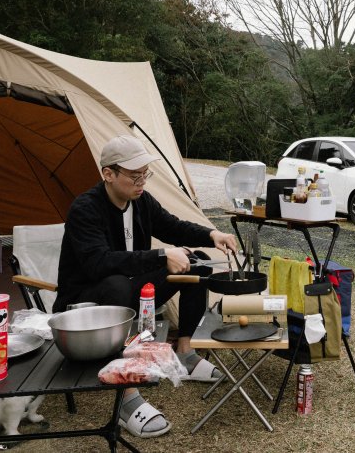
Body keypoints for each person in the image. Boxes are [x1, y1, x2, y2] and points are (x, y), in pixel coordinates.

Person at [54, 135, 239, 439]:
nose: (142, 182)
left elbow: (173, 226)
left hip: (130, 292)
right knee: (116, 286)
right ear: (108, 174)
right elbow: (97, 264)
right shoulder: (85, 208)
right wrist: (161, 256)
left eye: (145, 174)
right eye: (135, 175)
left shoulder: (141, 202)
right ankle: (127, 398)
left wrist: (211, 234)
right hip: (86, 306)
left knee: (198, 264)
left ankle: (185, 352)